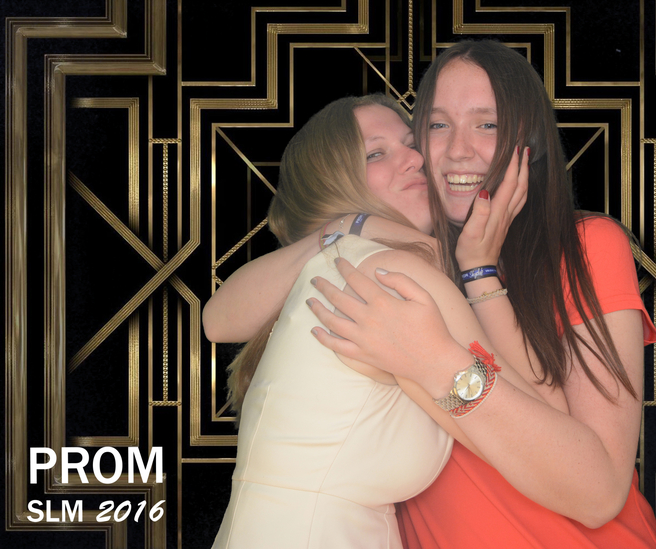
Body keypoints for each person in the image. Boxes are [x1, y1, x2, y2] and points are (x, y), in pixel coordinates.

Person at [206, 40, 656, 548]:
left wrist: (475, 281)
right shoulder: (395, 272)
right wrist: (350, 225)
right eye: (438, 125)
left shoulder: (583, 246)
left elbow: (587, 472)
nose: (456, 150)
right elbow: (219, 319)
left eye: (486, 124)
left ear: (528, 140)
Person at [209, 93, 535, 548]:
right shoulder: (384, 274)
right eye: (376, 154)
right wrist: (473, 267)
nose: (415, 159)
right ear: (332, 183)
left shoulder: (349, 266)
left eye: (411, 144)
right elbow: (532, 427)